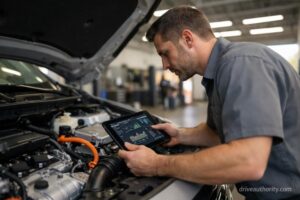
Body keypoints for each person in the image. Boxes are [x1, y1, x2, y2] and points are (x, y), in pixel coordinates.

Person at [118, 6, 300, 200]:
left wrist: (156, 165)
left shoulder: (242, 64)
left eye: (165, 53)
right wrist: (180, 134)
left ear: (187, 39)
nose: (164, 65)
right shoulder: (219, 73)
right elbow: (218, 133)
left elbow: (248, 161)